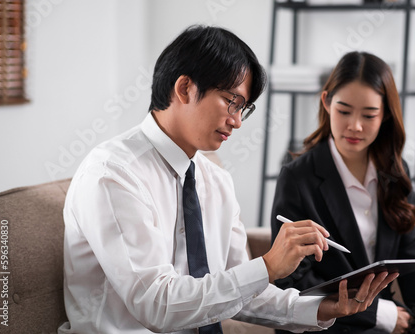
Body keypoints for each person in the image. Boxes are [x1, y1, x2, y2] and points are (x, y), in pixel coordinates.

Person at [58, 27, 397, 334]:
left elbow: (244, 293)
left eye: (243, 108)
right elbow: (156, 304)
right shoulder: (113, 173)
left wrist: (324, 308)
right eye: (231, 101)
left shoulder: (215, 180)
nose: (236, 122)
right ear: (185, 87)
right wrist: (266, 266)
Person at [270, 51, 415, 334]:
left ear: (384, 115)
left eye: (369, 114)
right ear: (326, 102)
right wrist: (378, 314)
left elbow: (413, 265)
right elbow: (293, 282)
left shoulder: (395, 173)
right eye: (344, 111)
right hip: (322, 326)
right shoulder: (298, 177)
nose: (354, 126)